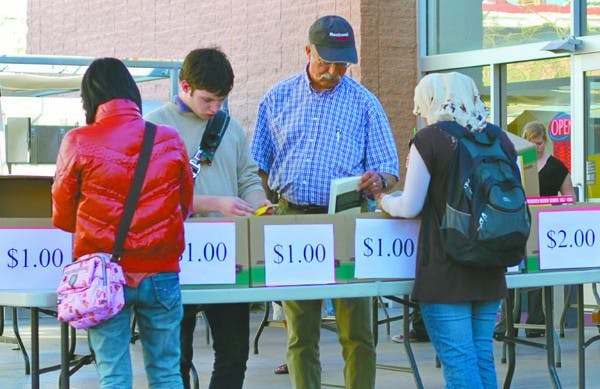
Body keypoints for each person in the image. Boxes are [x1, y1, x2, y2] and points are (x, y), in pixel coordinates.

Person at [251, 15, 399, 389]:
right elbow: (259, 166)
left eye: (343, 64)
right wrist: (267, 206)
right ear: (307, 51)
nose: (334, 71)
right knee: (300, 333)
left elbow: (389, 169)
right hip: (292, 218)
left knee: (358, 331)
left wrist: (377, 180)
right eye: (326, 61)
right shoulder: (277, 98)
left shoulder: (365, 103)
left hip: (347, 220)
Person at [52, 57, 194, 388]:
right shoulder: (169, 139)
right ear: (132, 94)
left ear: (89, 98)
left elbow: (61, 216)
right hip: (161, 272)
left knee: (114, 375)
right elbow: (185, 205)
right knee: (166, 371)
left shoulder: (78, 141)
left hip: (103, 274)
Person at [145, 47, 269, 389]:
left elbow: (247, 177)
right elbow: (154, 198)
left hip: (227, 255)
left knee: (234, 353)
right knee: (175, 357)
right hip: (173, 256)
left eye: (222, 100)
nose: (215, 108)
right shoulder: (155, 127)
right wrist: (216, 202)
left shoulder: (230, 128)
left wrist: (259, 204)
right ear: (184, 86)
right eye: (208, 100)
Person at [377, 72, 509, 388]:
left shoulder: (430, 140)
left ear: (432, 101)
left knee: (460, 364)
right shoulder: (497, 138)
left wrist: (384, 200)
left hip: (446, 270)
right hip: (490, 268)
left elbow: (410, 206)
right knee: (480, 358)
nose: (421, 115)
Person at [518, 121, 576, 337]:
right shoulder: (517, 165)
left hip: (544, 228)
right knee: (513, 271)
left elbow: (569, 198)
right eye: (532, 143)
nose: (536, 147)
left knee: (535, 272)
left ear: (546, 142)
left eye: (540, 143)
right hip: (519, 225)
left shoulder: (557, 167)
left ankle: (536, 321)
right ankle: (508, 321)